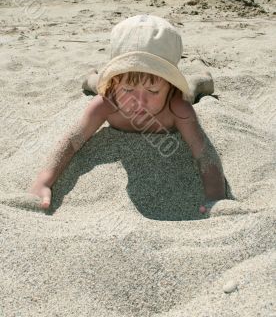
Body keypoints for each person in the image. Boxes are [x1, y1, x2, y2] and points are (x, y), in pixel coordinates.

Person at [30, 14, 226, 213]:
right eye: (128, 90)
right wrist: (44, 182)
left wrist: (216, 197)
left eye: (153, 91)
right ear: (115, 83)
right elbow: (72, 141)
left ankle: (203, 77)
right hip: (106, 88)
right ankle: (91, 77)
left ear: (170, 87)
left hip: (182, 95)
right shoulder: (107, 102)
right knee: (97, 85)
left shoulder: (178, 106)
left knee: (192, 89)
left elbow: (204, 153)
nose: (139, 101)